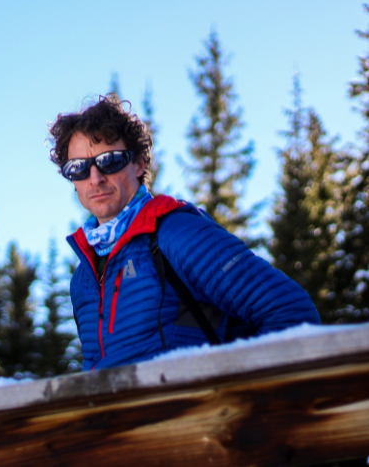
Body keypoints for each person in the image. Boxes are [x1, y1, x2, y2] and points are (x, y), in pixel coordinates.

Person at [49, 96, 320, 371]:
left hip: (192, 412)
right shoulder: (83, 277)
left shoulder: (175, 233)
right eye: (79, 168)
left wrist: (235, 400)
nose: (95, 178)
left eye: (109, 160)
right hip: (118, 415)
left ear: (140, 163)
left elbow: (291, 312)